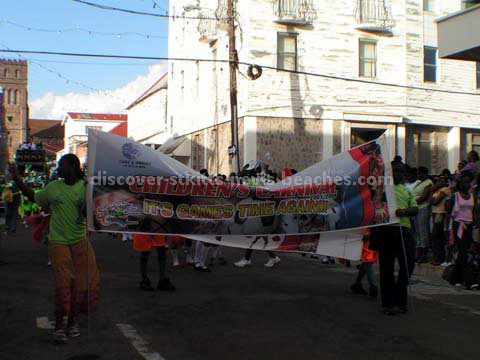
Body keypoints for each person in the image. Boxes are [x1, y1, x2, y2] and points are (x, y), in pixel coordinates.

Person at [9, 154, 100, 343]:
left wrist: (88, 201)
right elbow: (34, 197)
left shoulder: (85, 188)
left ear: (74, 168)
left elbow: (89, 215)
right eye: (58, 166)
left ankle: (73, 322)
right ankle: (59, 326)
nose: (58, 169)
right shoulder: (53, 188)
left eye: (62, 165)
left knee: (82, 284)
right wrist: (17, 180)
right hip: (58, 241)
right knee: (64, 284)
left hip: (80, 240)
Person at [371, 162, 418, 315]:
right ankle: (388, 304)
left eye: (400, 171)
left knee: (409, 264)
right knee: (387, 268)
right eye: (395, 171)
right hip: (387, 230)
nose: (398, 174)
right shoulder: (382, 189)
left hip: (404, 230)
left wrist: (403, 212)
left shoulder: (407, 190)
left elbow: (415, 209)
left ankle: (400, 297)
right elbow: (374, 204)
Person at [447, 172, 476, 289]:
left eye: (468, 182)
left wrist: (476, 224)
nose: (467, 184)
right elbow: (449, 213)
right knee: (463, 252)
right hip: (458, 225)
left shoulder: (472, 195)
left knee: (465, 252)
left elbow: (474, 211)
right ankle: (468, 281)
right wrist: (447, 228)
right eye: (464, 182)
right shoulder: (456, 195)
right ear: (460, 184)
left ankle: (454, 278)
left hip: (469, 226)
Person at [350, 229, 378, 298]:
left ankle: (357, 284)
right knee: (368, 259)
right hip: (369, 231)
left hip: (372, 231)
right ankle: (372, 286)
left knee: (367, 260)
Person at [413, 167, 433, 263]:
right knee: (417, 231)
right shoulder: (419, 183)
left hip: (423, 208)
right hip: (416, 208)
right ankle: (418, 252)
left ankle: (424, 254)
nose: (418, 175)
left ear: (424, 174)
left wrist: (412, 202)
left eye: (419, 173)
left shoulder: (428, 182)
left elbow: (424, 197)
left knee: (423, 231)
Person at [430, 175, 451, 266]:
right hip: (435, 213)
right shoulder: (437, 191)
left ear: (445, 182)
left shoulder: (445, 189)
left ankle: (439, 258)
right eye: (437, 181)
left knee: (436, 236)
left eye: (440, 181)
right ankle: (438, 257)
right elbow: (431, 201)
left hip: (440, 213)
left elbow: (435, 202)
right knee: (436, 236)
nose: (438, 182)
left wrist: (432, 194)